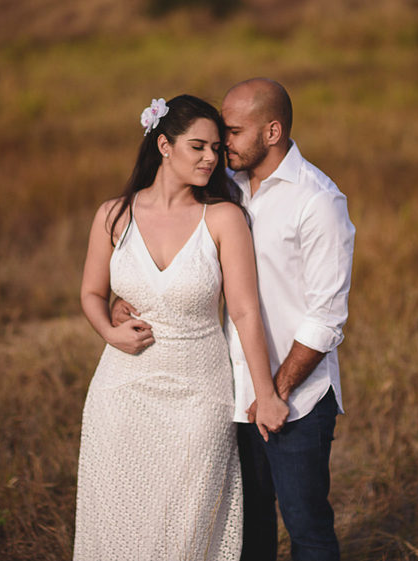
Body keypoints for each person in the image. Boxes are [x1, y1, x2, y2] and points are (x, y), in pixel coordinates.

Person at [115, 79, 355, 561]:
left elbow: (326, 319)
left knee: (306, 527)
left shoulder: (317, 200)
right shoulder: (226, 186)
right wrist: (125, 298)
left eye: (234, 132)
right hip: (230, 393)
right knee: (248, 529)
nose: (222, 143)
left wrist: (274, 394)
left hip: (296, 400)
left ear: (272, 132)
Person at [73, 94, 290, 561]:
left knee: (187, 526)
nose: (211, 158)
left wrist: (265, 394)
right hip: (121, 393)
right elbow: (91, 293)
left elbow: (245, 312)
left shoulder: (224, 218)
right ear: (164, 145)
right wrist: (109, 331)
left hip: (200, 396)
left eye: (216, 148)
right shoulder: (113, 215)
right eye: (198, 146)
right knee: (119, 519)